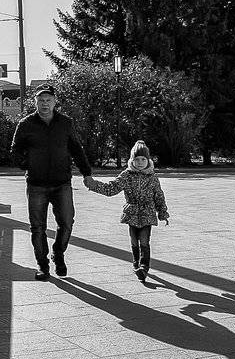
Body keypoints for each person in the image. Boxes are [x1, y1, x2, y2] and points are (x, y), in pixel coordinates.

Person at [9, 86, 92, 280]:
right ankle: (42, 265)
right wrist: (27, 165)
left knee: (67, 222)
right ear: (35, 102)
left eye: (48, 100)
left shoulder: (65, 123)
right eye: (41, 100)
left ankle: (58, 253)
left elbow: (76, 149)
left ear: (55, 102)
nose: (44, 104)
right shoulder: (26, 124)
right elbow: (15, 150)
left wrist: (86, 173)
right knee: (37, 227)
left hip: (62, 182)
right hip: (36, 184)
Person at [83, 140, 169, 281]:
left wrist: (163, 212)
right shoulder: (126, 175)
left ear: (148, 161)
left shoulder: (152, 177)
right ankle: (136, 263)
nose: (140, 162)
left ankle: (144, 267)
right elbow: (111, 189)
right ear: (132, 160)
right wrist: (94, 185)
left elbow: (159, 195)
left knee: (144, 242)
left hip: (147, 213)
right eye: (137, 159)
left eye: (143, 159)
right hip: (132, 213)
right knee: (134, 242)